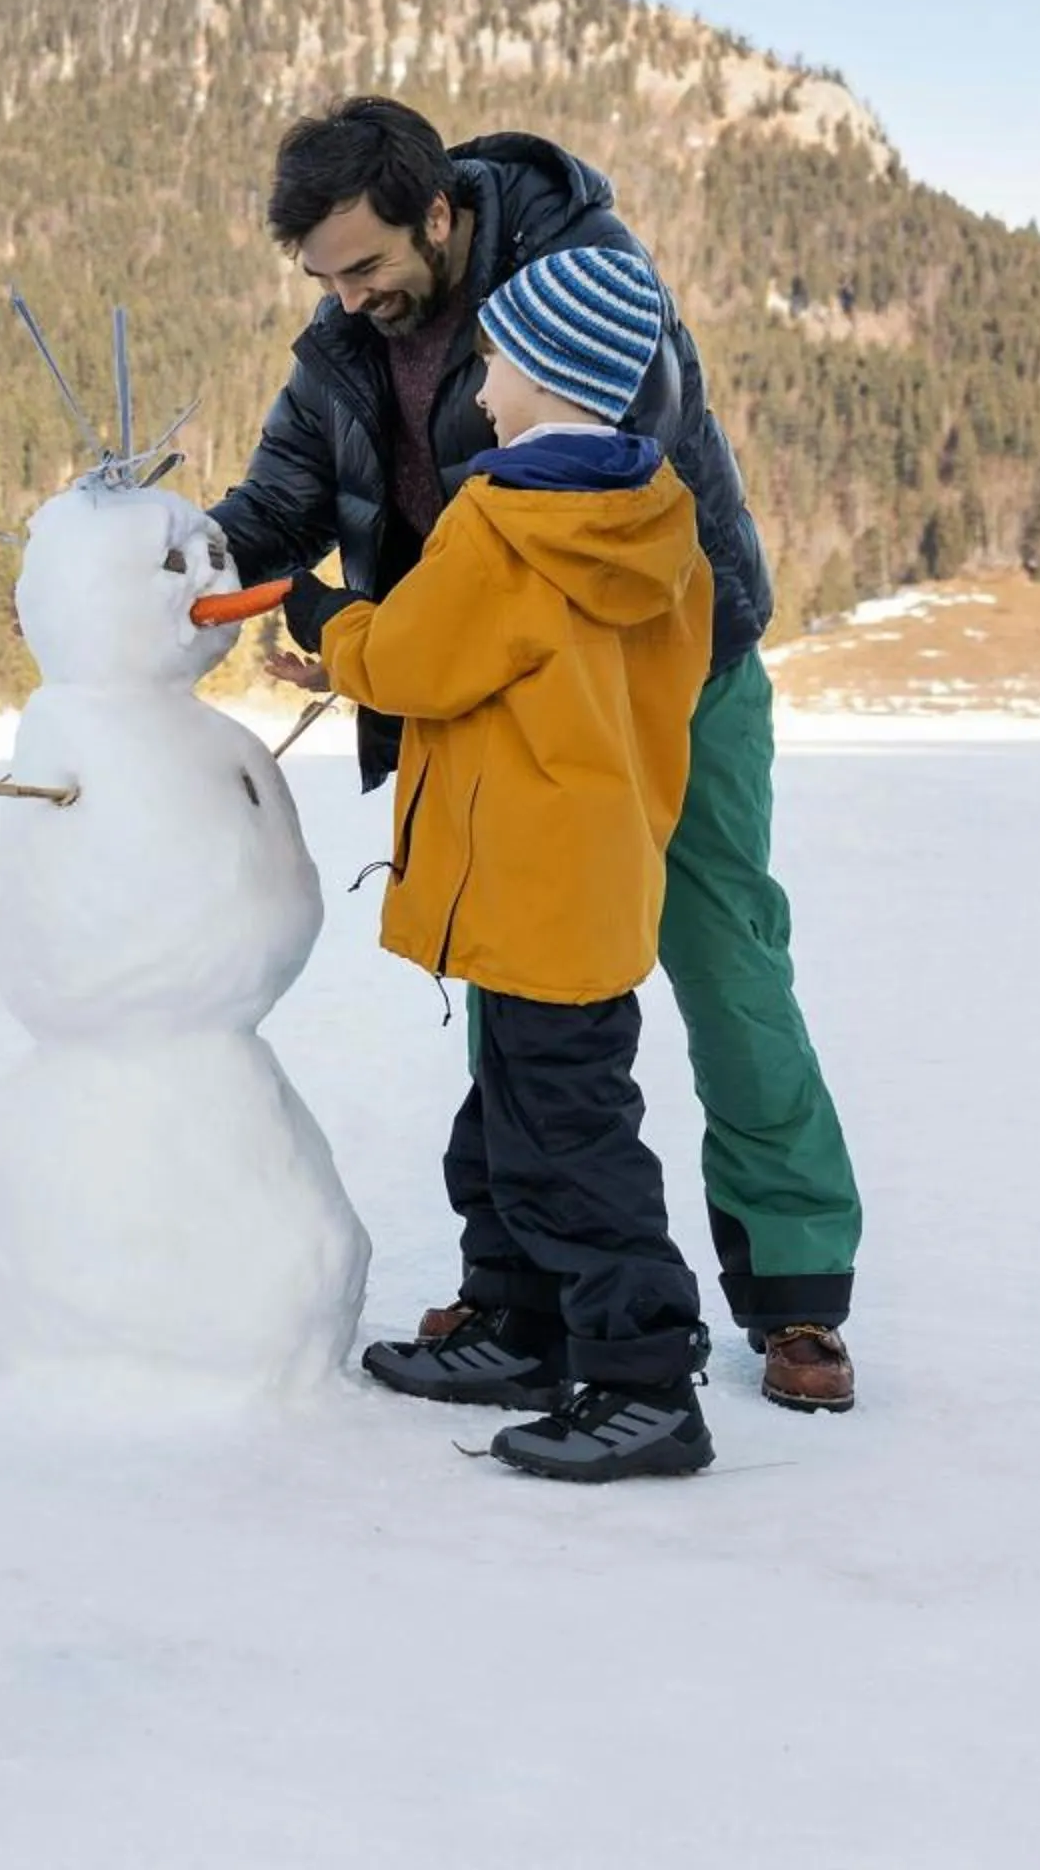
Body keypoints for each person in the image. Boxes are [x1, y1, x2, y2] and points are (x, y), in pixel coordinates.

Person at [209, 97, 863, 1412]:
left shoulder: (577, 287)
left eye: (368, 265)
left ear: (439, 211)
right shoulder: (346, 347)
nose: (348, 298)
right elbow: (278, 503)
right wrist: (151, 569)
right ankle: (525, 1295)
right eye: (324, 278)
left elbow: (611, 496)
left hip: (666, 681)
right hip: (484, 692)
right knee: (516, 989)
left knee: (725, 959)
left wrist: (390, 637)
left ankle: (795, 1292)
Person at [283, 246, 715, 1479]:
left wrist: (323, 618)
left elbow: (416, 660)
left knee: (570, 1141)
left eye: (498, 366)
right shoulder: (657, 527)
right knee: (514, 1124)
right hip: (590, 881)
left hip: (533, 885)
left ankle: (645, 1384)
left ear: (549, 380)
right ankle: (520, 1323)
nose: (480, 391)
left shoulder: (509, 523)